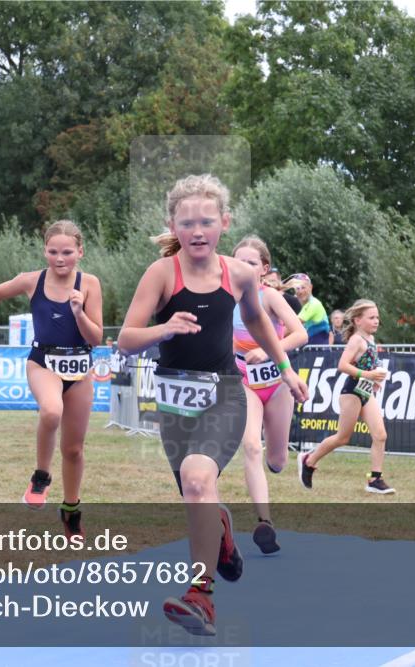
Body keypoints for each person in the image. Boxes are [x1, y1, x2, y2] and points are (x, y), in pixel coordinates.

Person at [118, 174, 307, 637]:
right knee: (194, 490)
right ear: (173, 226)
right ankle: (220, 530)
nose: (198, 230)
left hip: (225, 391)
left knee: (198, 480)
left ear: (224, 222)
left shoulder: (239, 274)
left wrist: (285, 367)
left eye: (207, 221)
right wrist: (164, 330)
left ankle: (200, 596)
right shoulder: (161, 274)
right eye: (187, 223)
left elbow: (260, 324)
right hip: (173, 398)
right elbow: (125, 340)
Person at [0, 220, 103, 538]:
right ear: (44, 251)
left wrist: (79, 313)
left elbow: (97, 339)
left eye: (66, 252)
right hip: (43, 363)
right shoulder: (32, 281)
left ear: (80, 252)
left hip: (79, 368)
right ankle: (41, 476)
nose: (59, 259)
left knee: (74, 449)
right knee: (51, 411)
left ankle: (71, 509)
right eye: (52, 252)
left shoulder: (89, 283)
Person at [231, 236, 307, 554]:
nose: (243, 268)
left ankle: (279, 463)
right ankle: (265, 522)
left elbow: (300, 333)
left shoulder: (271, 297)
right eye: (238, 262)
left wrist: (267, 350)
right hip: (244, 383)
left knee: (276, 460)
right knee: (250, 446)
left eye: (250, 263)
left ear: (263, 269)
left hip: (276, 384)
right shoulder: (224, 298)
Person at [297, 299, 395, 494]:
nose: (376, 321)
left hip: (366, 392)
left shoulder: (371, 339)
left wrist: (375, 378)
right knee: (343, 437)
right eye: (371, 317)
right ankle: (309, 460)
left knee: (380, 435)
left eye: (377, 317)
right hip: (351, 393)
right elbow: (343, 365)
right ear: (358, 321)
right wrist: (368, 375)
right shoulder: (356, 340)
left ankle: (375, 479)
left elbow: (367, 364)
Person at [287, 273, 332, 345]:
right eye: (297, 288)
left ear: (310, 287)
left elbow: (292, 325)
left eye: (303, 287)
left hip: (316, 351)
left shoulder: (313, 304)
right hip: (311, 350)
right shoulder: (303, 306)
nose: (300, 291)